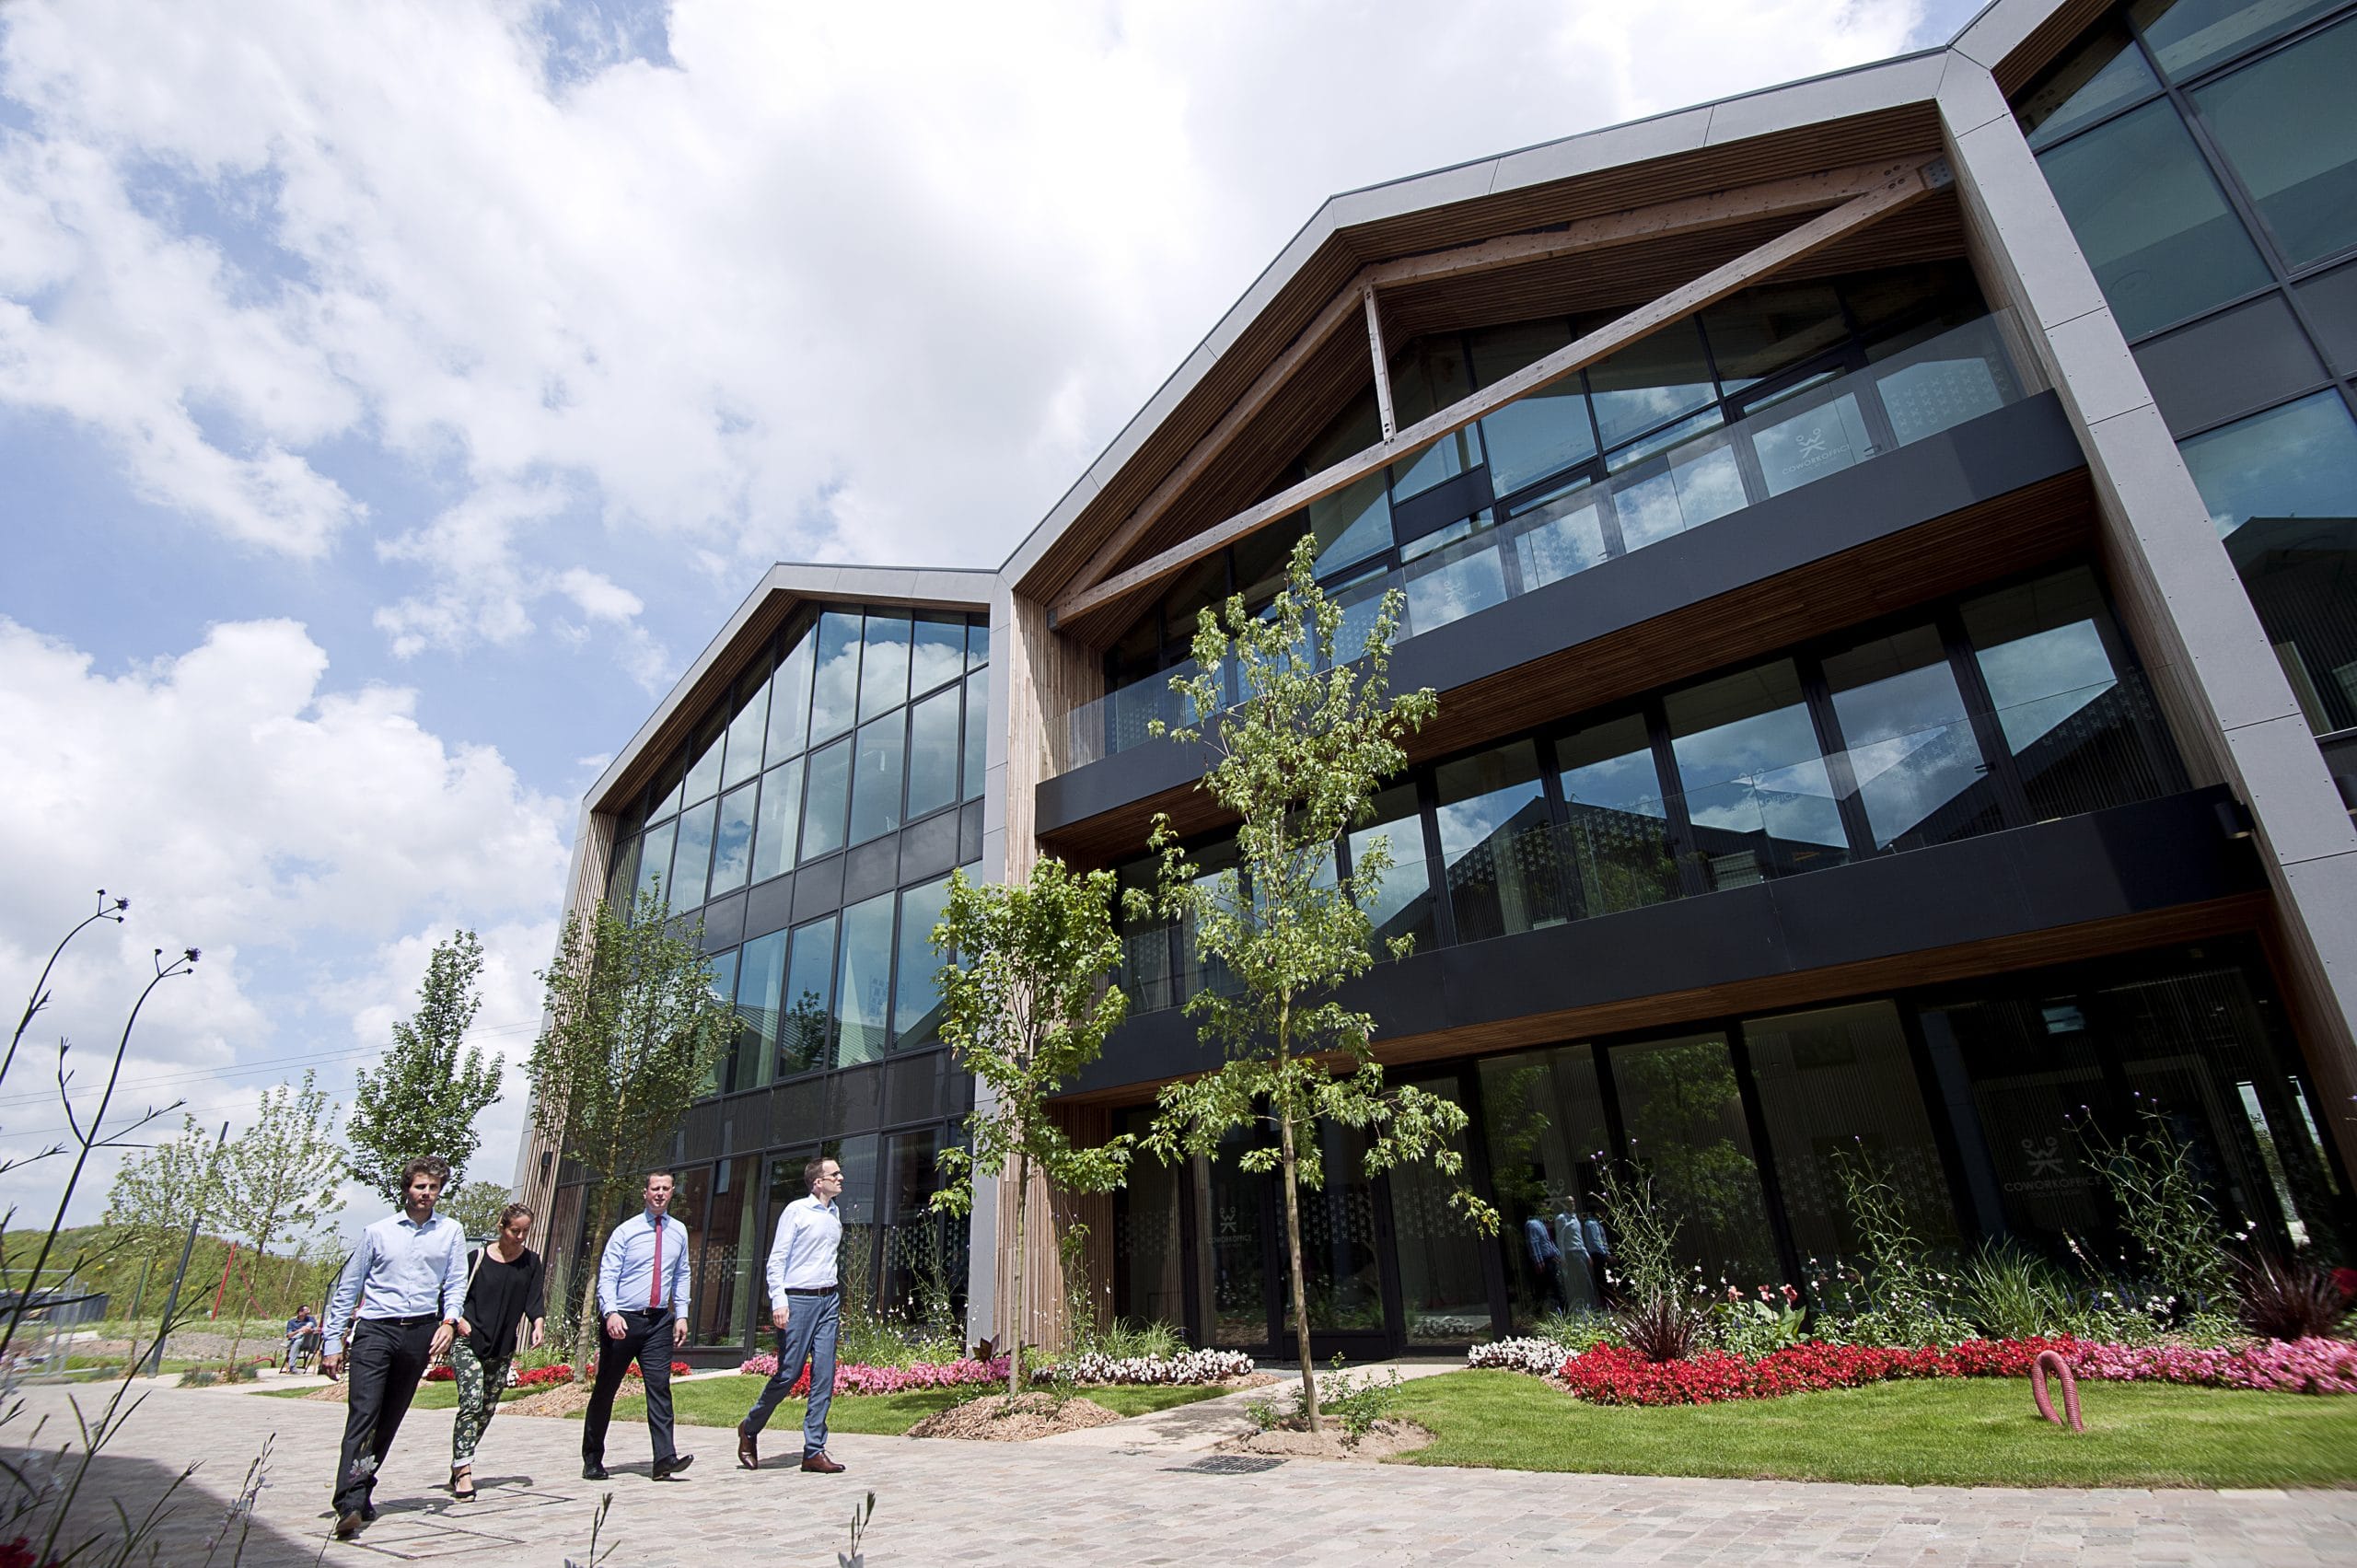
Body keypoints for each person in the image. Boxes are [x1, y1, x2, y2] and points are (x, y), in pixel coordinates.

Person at [320, 1156, 468, 1540]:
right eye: (420, 1186)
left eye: (433, 1187)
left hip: (419, 1331)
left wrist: (449, 1321)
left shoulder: (450, 1231)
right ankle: (349, 1501)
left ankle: (363, 1488)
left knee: (390, 1417)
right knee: (364, 1412)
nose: (427, 1193)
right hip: (376, 1330)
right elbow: (348, 1288)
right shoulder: (378, 1232)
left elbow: (456, 1283)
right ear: (407, 1189)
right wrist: (332, 1341)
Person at [736, 1156, 845, 1475]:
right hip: (798, 1301)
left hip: (828, 1301)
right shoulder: (796, 1211)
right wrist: (779, 1302)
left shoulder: (834, 1213)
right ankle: (750, 1427)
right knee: (789, 1373)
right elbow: (777, 1259)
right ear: (818, 1182)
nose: (841, 1178)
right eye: (834, 1174)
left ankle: (814, 1450)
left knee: (824, 1374)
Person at [582, 1172, 693, 1482]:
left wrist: (681, 1314)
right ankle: (592, 1458)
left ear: (672, 1192)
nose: (660, 1193)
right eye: (655, 1188)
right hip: (623, 1321)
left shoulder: (679, 1232)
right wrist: (610, 1313)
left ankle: (664, 1459)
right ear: (645, 1193)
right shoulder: (626, 1232)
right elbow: (608, 1275)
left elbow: (682, 1273)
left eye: (665, 1189)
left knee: (659, 1387)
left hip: (658, 1322)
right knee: (606, 1389)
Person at [448, 1202, 547, 1502]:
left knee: (487, 1408)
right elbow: (453, 1293)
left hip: (502, 1345)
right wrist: (458, 1320)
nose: (520, 1237)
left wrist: (538, 1323)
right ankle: (463, 1470)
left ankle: (460, 1457)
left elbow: (534, 1299)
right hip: (468, 1340)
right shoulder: (477, 1258)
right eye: (515, 1230)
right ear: (501, 1227)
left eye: (525, 1231)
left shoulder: (531, 1262)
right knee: (471, 1401)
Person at [283, 1305, 317, 1373]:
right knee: (297, 1341)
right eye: (307, 1310)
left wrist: (309, 1330)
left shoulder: (311, 1319)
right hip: (297, 1342)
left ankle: (290, 1342)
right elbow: (289, 1335)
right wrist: (299, 1330)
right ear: (300, 1312)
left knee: (310, 1324)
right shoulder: (292, 1322)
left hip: (308, 1341)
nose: (309, 1311)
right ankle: (292, 1366)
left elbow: (317, 1330)